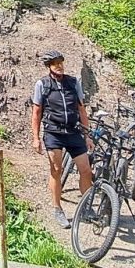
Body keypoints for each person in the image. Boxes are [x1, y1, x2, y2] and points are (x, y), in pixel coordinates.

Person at [31, 50, 93, 228]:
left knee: (86, 170)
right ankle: (57, 209)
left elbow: (82, 110)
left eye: (60, 62)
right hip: (53, 133)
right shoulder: (42, 84)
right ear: (48, 66)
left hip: (73, 132)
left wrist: (87, 135)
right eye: (54, 63)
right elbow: (36, 113)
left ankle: (86, 207)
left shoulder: (73, 83)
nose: (59, 65)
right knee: (57, 169)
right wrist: (36, 138)